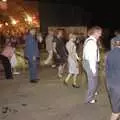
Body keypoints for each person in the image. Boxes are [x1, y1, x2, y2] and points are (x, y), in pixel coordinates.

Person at [82, 26, 102, 104]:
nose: (100, 35)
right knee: (92, 81)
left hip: (88, 62)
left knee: (94, 80)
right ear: (95, 33)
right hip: (90, 63)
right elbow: (91, 57)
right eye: (99, 33)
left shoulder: (89, 40)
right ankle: (89, 99)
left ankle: (93, 92)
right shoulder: (91, 42)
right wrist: (93, 69)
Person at [105, 39, 120, 120]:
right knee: (116, 112)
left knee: (117, 109)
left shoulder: (109, 53)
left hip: (110, 84)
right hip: (118, 86)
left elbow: (107, 70)